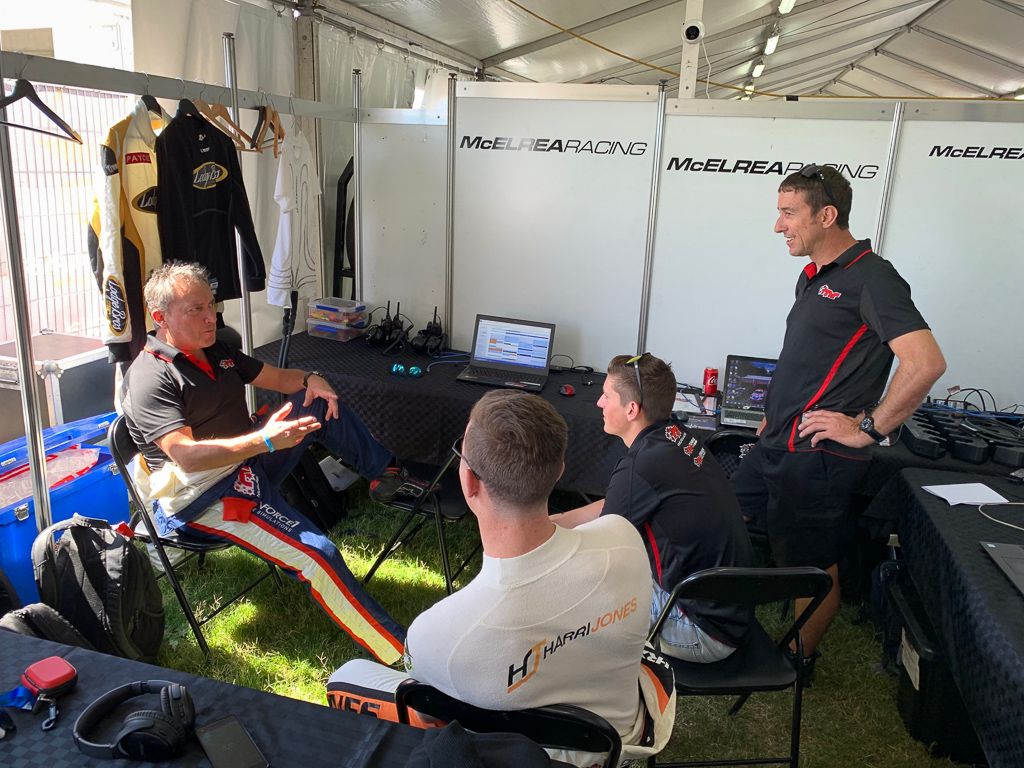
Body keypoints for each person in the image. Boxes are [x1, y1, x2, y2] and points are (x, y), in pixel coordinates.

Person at [327, 390, 675, 765]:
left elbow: (430, 711)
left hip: (513, 754)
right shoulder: (622, 539)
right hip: (613, 746)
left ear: (470, 483)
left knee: (345, 677)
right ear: (559, 470)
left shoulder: (436, 634)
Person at [120, 261, 430, 664]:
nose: (210, 316)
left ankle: (386, 476)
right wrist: (264, 440)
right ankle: (405, 658)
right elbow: (187, 457)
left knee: (314, 402)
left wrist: (310, 378)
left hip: (245, 460)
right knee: (318, 555)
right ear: (161, 318)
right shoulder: (150, 377)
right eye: (194, 309)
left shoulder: (215, 349)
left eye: (211, 304)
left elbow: (281, 378)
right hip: (202, 495)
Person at [732, 164, 946, 674]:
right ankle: (721, 621)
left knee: (811, 568)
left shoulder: (874, 277)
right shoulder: (813, 277)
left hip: (816, 459)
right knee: (727, 517)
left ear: (827, 215)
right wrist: (771, 416)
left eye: (788, 213)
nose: (778, 226)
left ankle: (794, 664)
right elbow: (811, 361)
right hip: (776, 444)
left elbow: (926, 362)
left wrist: (867, 426)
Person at [552, 353, 752, 663]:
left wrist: (543, 542)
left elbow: (599, 550)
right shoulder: (678, 438)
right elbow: (622, 505)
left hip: (701, 630)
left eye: (606, 396)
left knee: (572, 585)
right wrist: (562, 520)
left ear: (631, 409)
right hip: (729, 613)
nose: (599, 403)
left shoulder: (641, 466)